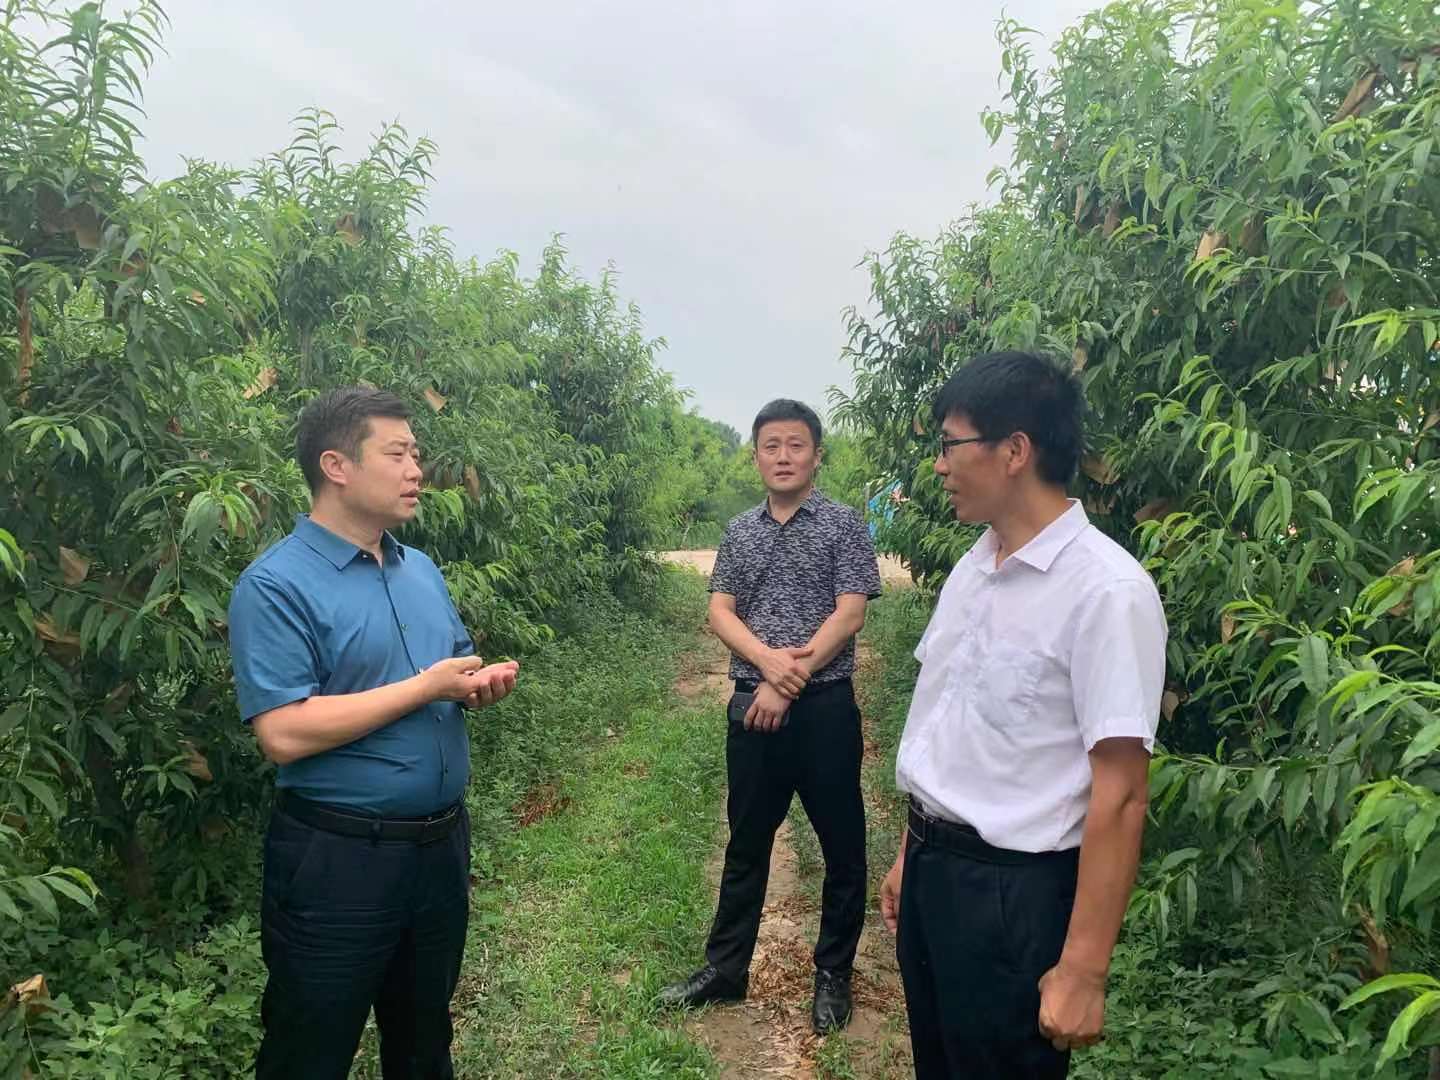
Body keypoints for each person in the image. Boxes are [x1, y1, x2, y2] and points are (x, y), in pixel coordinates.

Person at [879, 351, 1165, 1078]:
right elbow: (948, 726)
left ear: (1014, 451)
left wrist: (1083, 971)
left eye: (950, 444)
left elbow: (1122, 792)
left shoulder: (1107, 593)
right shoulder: (975, 567)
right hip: (935, 874)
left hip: (1012, 899)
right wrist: (912, 854)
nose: (939, 465)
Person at [228, 387, 519, 1080]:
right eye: (397, 454)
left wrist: (474, 686)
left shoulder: (420, 570)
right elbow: (283, 733)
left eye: (416, 453)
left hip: (439, 850)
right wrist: (426, 687)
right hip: (338, 859)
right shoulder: (275, 585)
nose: (416, 469)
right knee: (309, 1048)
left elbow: (450, 670)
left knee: (424, 1041)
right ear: (337, 466)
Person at [659, 399, 882, 1034]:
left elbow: (850, 612)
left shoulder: (843, 524)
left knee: (843, 847)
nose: (783, 457)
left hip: (824, 709)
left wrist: (789, 681)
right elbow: (720, 611)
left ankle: (833, 974)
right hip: (751, 708)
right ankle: (726, 970)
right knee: (747, 843)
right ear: (755, 455)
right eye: (771, 446)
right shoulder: (739, 531)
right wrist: (766, 665)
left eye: (796, 445)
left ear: (817, 455)